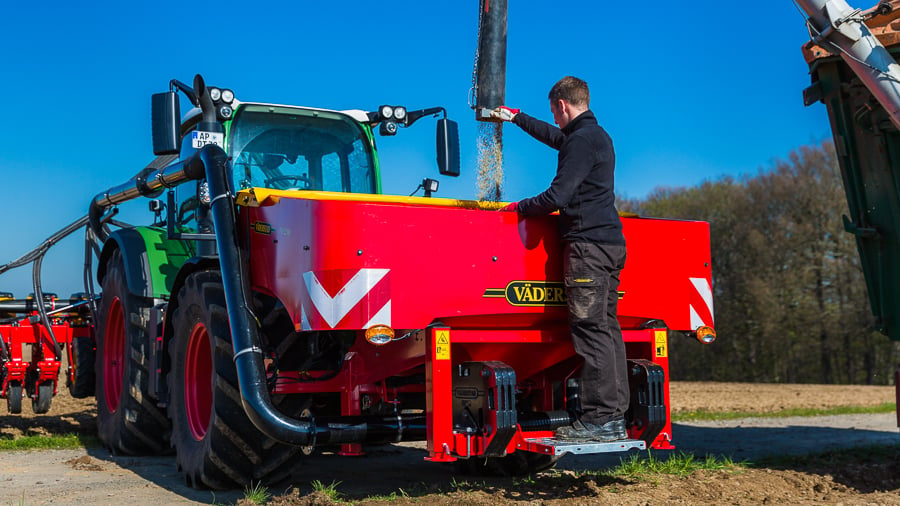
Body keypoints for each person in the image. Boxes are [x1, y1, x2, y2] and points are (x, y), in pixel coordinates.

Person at [491, 76, 628, 442]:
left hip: (587, 247)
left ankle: (599, 420)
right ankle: (613, 417)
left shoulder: (581, 141)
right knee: (607, 329)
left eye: (555, 113)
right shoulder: (595, 136)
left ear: (562, 106)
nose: (555, 120)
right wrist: (517, 118)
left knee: (590, 330)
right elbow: (558, 139)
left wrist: (518, 208)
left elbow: (556, 197)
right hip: (609, 244)